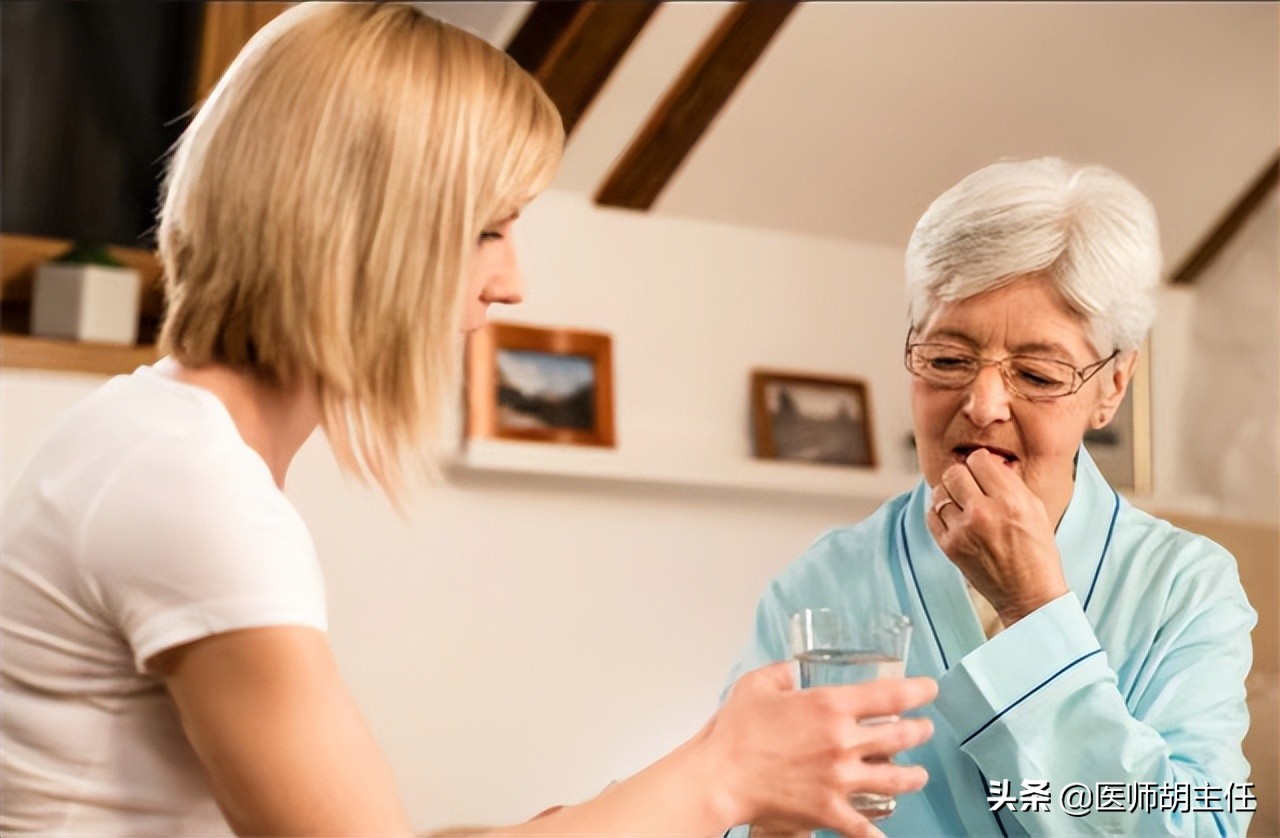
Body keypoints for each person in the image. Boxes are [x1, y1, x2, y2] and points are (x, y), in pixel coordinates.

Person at [0, 4, 938, 836]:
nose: (511, 281)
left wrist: (705, 777)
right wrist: (720, 775)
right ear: (360, 228)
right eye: (490, 228)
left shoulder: (157, 445)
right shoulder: (191, 490)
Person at [723, 157, 1256, 836]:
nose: (981, 405)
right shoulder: (822, 583)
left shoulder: (1184, 587)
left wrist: (1034, 611)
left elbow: (1201, 828)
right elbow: (729, 811)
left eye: (1036, 373)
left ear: (1112, 387)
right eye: (946, 360)